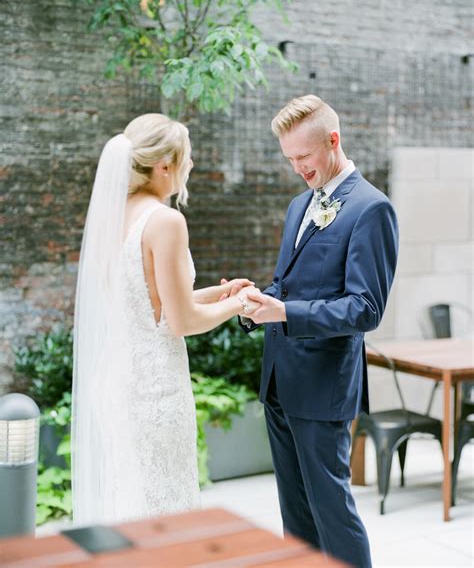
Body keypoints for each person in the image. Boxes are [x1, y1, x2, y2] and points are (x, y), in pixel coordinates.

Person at [72, 113, 258, 525]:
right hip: (156, 392)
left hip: (117, 386)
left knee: (131, 506)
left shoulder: (114, 218)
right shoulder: (166, 221)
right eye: (186, 158)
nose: (190, 166)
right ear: (164, 166)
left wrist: (218, 292)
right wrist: (240, 304)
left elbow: (148, 302)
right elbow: (180, 322)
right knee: (165, 507)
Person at [241, 95, 399, 567]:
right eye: (290, 159)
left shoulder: (371, 209)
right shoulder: (299, 206)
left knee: (333, 513)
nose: (297, 169)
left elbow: (365, 308)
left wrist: (286, 313)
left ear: (333, 141)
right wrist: (253, 301)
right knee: (296, 517)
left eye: (304, 157)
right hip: (280, 382)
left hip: (323, 387)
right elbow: (289, 285)